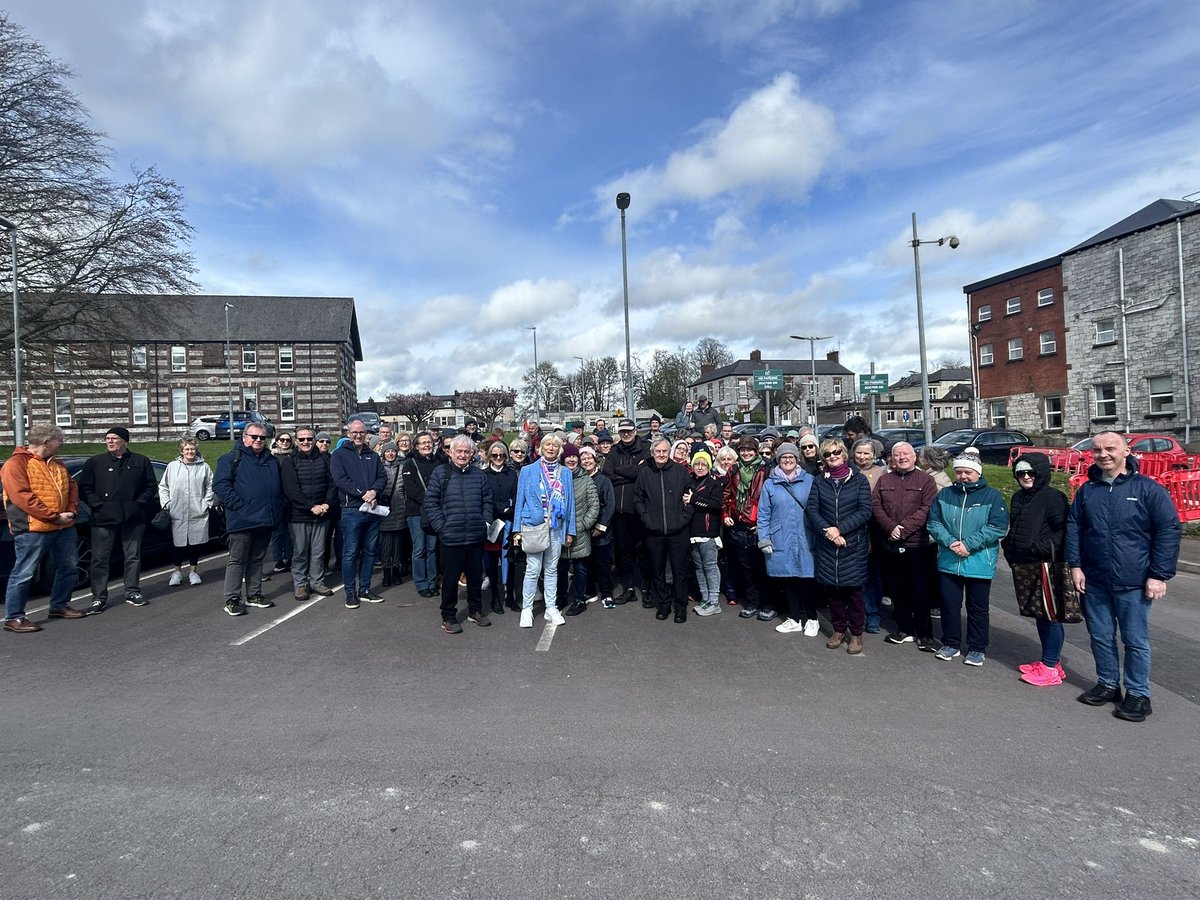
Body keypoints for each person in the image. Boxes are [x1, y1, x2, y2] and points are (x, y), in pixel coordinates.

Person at [1066, 431, 1181, 722]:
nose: (1103, 454)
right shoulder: (1088, 490)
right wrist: (1075, 565)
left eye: (1110, 448)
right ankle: (1107, 684)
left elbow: (1168, 530)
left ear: (1126, 451)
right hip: (1095, 579)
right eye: (1097, 450)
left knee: (1135, 640)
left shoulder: (1147, 489)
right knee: (1100, 637)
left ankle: (1138, 694)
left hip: (1134, 580)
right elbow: (1075, 527)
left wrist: (1158, 574)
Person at [2, 424, 87, 632]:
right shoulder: (16, 464)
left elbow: (72, 488)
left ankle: (59, 605)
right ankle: (15, 617)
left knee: (68, 567)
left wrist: (71, 512)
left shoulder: (58, 464)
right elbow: (22, 497)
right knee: (24, 572)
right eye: (60, 440)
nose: (63, 443)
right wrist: (54, 517)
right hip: (33, 528)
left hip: (63, 527)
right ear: (46, 441)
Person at [927, 455, 1008, 667]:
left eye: (968, 472)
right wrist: (951, 542)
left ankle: (977, 647)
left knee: (977, 608)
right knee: (949, 605)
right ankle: (950, 643)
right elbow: (934, 522)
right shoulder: (945, 494)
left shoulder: (992, 496)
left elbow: (997, 526)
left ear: (978, 473)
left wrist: (969, 545)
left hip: (979, 561)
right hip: (949, 559)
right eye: (959, 472)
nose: (963, 476)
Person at [1002, 453, 1073, 687]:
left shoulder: (1053, 497)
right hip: (1025, 564)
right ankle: (1051, 661)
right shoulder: (1019, 497)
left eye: (1030, 472)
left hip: (1046, 565)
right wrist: (1010, 548)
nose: (1025, 476)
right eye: (1020, 472)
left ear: (1041, 472)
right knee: (1040, 616)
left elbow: (1063, 531)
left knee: (1050, 616)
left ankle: (1050, 667)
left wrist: (1039, 548)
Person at [77, 426, 158, 611]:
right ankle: (98, 597)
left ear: (125, 442)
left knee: (133, 557)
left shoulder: (140, 461)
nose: (110, 441)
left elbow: (151, 486)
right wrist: (97, 505)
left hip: (132, 518)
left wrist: (138, 503)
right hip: (103, 519)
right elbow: (85, 488)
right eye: (107, 438)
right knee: (100, 559)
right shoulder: (95, 462)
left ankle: (132, 591)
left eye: (114, 438)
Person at [806, 438, 873, 653]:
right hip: (828, 545)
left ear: (844, 453)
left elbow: (865, 511)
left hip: (852, 545)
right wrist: (828, 531)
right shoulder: (819, 481)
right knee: (833, 592)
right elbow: (812, 510)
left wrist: (840, 529)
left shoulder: (859, 480)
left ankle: (856, 635)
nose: (832, 456)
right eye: (827, 454)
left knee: (854, 593)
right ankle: (838, 630)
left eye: (836, 452)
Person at [872, 442, 940, 651]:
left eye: (905, 454)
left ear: (914, 457)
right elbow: (876, 506)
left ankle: (925, 634)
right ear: (892, 459)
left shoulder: (926, 481)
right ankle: (904, 629)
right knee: (897, 589)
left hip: (917, 544)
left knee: (920, 591)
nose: (901, 458)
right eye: (897, 455)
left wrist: (903, 529)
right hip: (891, 543)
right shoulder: (884, 480)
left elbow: (927, 508)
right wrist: (891, 527)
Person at [424, 435, 495, 634]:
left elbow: (487, 501)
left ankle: (475, 611)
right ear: (451, 452)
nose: (463, 455)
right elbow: (431, 503)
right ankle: (448, 616)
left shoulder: (479, 475)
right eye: (459, 451)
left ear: (472, 454)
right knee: (450, 578)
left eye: (467, 451)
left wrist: (485, 522)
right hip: (451, 536)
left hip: (475, 535)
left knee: (475, 577)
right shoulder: (441, 473)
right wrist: (442, 527)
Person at [214, 422, 285, 616]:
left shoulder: (271, 460)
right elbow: (221, 486)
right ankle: (232, 599)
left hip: (265, 519)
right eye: (254, 437)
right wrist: (239, 506)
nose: (258, 441)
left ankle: (254, 594)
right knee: (237, 560)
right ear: (244, 437)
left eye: (262, 437)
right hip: (241, 519)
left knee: (257, 559)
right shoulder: (230, 459)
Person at [513, 433, 576, 628]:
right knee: (532, 569)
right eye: (547, 444)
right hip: (533, 526)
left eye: (555, 445)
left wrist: (570, 531)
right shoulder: (528, 470)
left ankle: (551, 607)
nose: (551, 448)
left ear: (559, 450)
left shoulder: (565, 472)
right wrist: (517, 530)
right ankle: (527, 609)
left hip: (556, 527)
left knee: (551, 569)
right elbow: (519, 501)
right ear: (540, 448)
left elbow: (570, 503)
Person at [756, 442, 816, 633]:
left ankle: (812, 618)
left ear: (797, 459)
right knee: (788, 578)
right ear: (778, 460)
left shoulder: (810, 480)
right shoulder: (770, 484)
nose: (787, 460)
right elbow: (763, 513)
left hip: (806, 536)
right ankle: (795, 618)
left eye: (791, 457)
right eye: (783, 457)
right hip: (781, 536)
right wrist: (764, 538)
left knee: (807, 578)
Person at [634, 437, 694, 623]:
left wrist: (683, 518)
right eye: (657, 451)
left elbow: (690, 497)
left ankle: (681, 606)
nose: (661, 454)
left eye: (664, 451)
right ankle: (664, 604)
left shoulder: (680, 471)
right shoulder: (644, 473)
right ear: (652, 453)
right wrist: (647, 520)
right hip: (654, 531)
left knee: (680, 571)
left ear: (669, 452)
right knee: (658, 570)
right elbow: (638, 499)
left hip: (678, 530)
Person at [330, 417, 387, 608]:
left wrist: (374, 492)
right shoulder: (339, 455)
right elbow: (340, 479)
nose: (358, 435)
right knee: (351, 553)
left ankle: (365, 589)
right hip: (352, 510)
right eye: (354, 432)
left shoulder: (373, 455)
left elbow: (382, 477)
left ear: (366, 434)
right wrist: (362, 493)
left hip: (372, 509)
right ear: (348, 434)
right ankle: (350, 592)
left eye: (361, 432)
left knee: (370, 552)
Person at [279, 426, 337, 601]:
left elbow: (333, 483)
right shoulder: (290, 461)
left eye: (309, 439)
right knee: (300, 552)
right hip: (299, 515)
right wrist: (310, 506)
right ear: (296, 441)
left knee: (319, 551)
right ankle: (301, 585)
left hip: (322, 514)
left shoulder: (326, 459)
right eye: (302, 439)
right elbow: (291, 489)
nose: (306, 442)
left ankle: (317, 582)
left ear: (314, 440)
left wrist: (326, 504)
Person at [723, 436, 771, 621]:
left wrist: (763, 524)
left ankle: (767, 604)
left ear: (756, 451)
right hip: (739, 524)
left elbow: (770, 498)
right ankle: (753, 603)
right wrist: (726, 515)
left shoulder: (766, 469)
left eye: (750, 450)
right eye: (743, 450)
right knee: (746, 569)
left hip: (759, 524)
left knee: (762, 568)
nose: (746, 453)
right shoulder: (733, 469)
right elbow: (726, 495)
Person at [603, 419, 650, 606]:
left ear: (635, 430)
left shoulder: (645, 448)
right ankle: (629, 588)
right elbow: (607, 473)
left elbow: (643, 472)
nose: (626, 434)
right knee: (624, 553)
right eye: (623, 431)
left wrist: (620, 471)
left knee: (643, 551)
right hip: (620, 512)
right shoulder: (614, 451)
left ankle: (646, 588)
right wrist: (631, 474)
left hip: (639, 511)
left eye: (629, 431)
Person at [158, 437, 214, 587]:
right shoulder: (172, 466)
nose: (190, 452)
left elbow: (210, 486)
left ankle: (193, 572)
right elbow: (163, 487)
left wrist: (206, 503)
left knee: (194, 544)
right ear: (181, 451)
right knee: (178, 544)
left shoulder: (204, 467)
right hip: (177, 511)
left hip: (197, 510)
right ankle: (176, 572)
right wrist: (167, 503)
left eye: (192, 449)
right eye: (187, 449)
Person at [852, 438, 886, 633]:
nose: (862, 457)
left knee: (873, 576)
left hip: (873, 529)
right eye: (859, 452)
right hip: (852, 529)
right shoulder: (847, 470)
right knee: (855, 576)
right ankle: (857, 614)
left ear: (873, 454)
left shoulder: (881, 473)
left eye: (866, 453)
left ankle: (873, 614)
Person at [560, 442, 599, 617]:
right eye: (568, 456)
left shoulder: (586, 480)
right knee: (560, 568)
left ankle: (579, 599)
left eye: (574, 456)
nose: (571, 459)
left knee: (580, 568)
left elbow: (594, 507)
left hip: (580, 532)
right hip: (559, 531)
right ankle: (561, 597)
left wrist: (582, 526)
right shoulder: (557, 479)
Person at [402, 432, 442, 598]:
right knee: (419, 549)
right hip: (416, 512)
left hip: (434, 513)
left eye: (429, 442)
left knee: (432, 549)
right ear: (416, 446)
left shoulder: (438, 462)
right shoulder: (410, 464)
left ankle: (432, 582)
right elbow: (411, 490)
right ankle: (421, 583)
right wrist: (431, 500)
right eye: (423, 443)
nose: (427, 445)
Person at [687, 449, 724, 617]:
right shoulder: (689, 481)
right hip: (692, 532)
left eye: (704, 464)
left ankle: (714, 601)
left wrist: (694, 499)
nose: (700, 467)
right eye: (697, 464)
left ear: (709, 466)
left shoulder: (714, 484)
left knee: (710, 566)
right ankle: (705, 597)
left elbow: (716, 505)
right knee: (699, 566)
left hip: (708, 532)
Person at [483, 440, 518, 614]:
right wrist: (499, 508)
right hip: (492, 523)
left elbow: (516, 495)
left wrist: (509, 509)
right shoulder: (483, 475)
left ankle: (510, 596)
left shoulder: (512, 474)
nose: (498, 458)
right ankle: (495, 598)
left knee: (510, 560)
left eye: (501, 455)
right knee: (491, 561)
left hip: (509, 522)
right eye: (495, 455)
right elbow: (485, 497)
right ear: (490, 456)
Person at [579, 445, 616, 608]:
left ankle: (607, 593)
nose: (586, 461)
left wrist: (601, 526)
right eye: (583, 459)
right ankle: (590, 591)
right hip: (584, 530)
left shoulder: (604, 480)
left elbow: (610, 504)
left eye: (589, 458)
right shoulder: (579, 480)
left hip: (601, 530)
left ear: (595, 461)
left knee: (603, 563)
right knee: (586, 563)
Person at [376, 441, 408, 587]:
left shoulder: (403, 467)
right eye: (387, 451)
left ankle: (396, 570)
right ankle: (387, 572)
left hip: (400, 508)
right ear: (383, 454)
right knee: (386, 544)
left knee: (398, 544)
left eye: (393, 451)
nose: (390, 454)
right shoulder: (379, 468)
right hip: (384, 509)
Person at [269, 432, 294, 573]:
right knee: (278, 532)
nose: (285, 442)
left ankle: (290, 558)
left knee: (290, 531)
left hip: (290, 498)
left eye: (287, 440)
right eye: (282, 440)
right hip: (276, 498)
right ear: (276, 441)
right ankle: (279, 559)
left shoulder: (293, 456)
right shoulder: (271, 457)